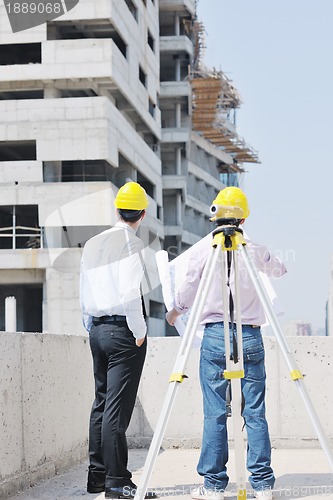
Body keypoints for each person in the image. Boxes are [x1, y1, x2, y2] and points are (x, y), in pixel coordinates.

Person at [166, 187, 287, 500]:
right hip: (249, 336)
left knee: (216, 413)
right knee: (255, 413)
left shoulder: (201, 251)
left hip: (216, 337)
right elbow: (278, 268)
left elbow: (186, 293)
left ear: (214, 214)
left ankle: (213, 486)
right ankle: (261, 485)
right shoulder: (253, 248)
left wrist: (174, 311)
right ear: (244, 217)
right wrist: (266, 258)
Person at [80, 181, 156, 499]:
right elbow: (129, 294)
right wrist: (139, 332)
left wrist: (91, 327)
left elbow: (83, 293)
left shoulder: (94, 243)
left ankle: (97, 478)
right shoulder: (132, 245)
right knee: (116, 410)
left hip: (97, 330)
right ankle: (117, 481)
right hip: (123, 333)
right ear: (142, 213)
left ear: (117, 209)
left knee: (100, 404)